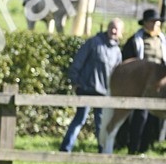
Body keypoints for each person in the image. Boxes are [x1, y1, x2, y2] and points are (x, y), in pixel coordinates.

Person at [60, 19, 124, 152]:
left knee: (101, 123)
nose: (113, 31)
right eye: (111, 27)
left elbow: (117, 75)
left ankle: (102, 150)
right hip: (86, 89)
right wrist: (75, 82)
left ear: (120, 32)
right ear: (107, 28)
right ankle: (66, 149)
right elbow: (78, 62)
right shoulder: (94, 42)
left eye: (116, 29)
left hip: (104, 93)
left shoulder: (117, 52)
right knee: (79, 120)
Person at [120, 8, 166, 154]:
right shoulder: (135, 40)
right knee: (140, 116)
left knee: (153, 118)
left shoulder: (162, 40)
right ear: (145, 23)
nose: (155, 25)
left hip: (159, 85)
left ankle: (145, 148)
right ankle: (133, 147)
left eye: (157, 22)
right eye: (152, 21)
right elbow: (127, 62)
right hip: (141, 83)